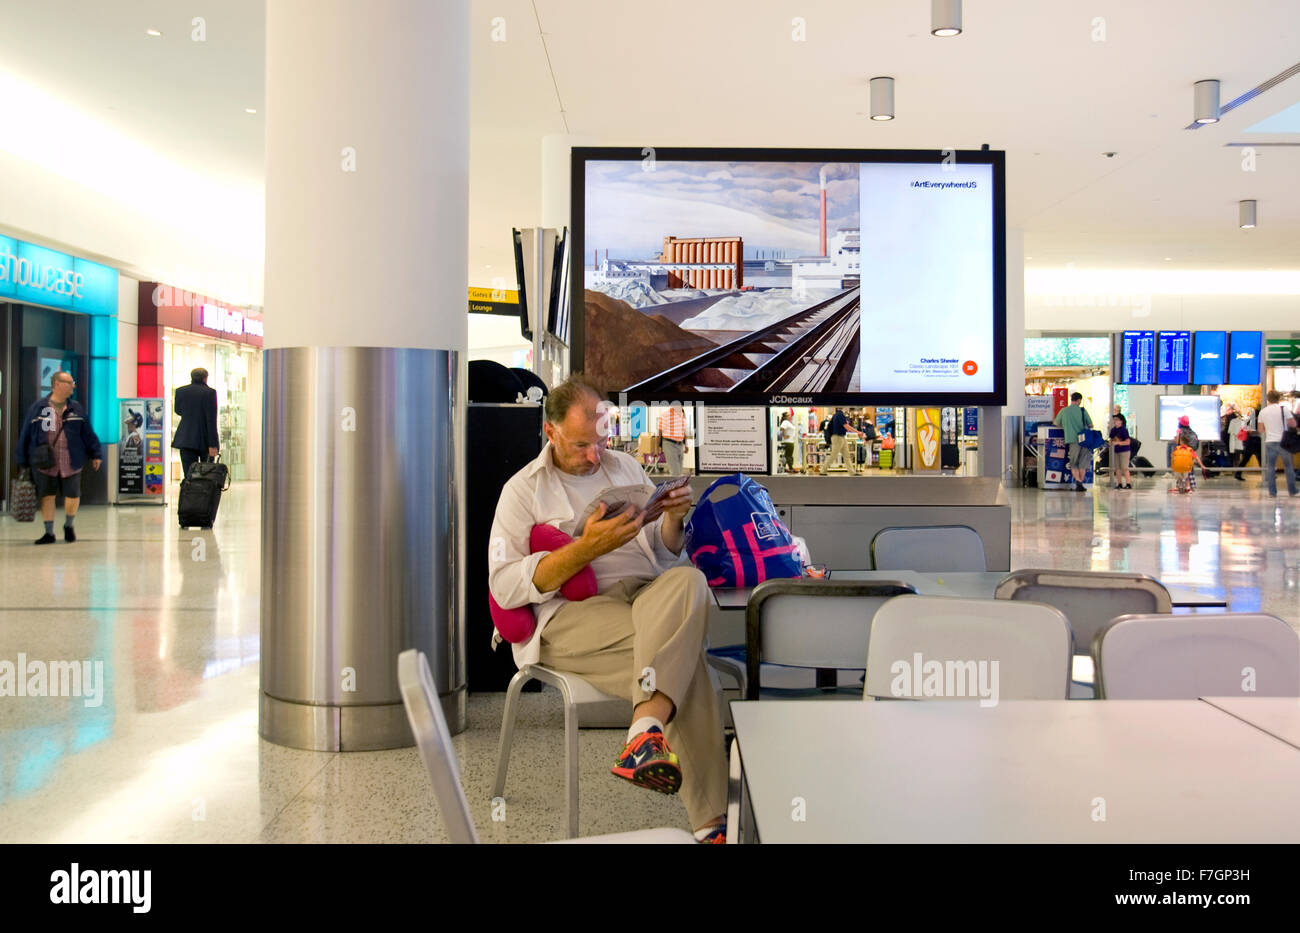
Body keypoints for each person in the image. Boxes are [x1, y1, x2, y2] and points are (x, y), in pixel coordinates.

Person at [488, 376, 727, 843]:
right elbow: (504, 584)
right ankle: (710, 825)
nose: (594, 455)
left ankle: (644, 729)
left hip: (644, 598)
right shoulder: (522, 491)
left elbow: (662, 554)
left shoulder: (627, 468)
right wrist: (584, 550)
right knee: (687, 661)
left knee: (689, 580)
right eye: (581, 445)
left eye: (600, 441)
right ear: (550, 432)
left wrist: (674, 518)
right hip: (572, 614)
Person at [15, 371, 103, 544]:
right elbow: (26, 433)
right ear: (56, 384)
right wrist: (22, 459)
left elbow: (87, 433)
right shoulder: (38, 408)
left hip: (71, 460)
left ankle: (69, 525)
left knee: (73, 495)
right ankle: (49, 532)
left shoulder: (76, 408)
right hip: (45, 461)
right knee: (47, 496)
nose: (73, 386)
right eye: (69, 382)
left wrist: (96, 454)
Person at [172, 367, 219, 479]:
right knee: (206, 474)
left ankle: (190, 495)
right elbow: (211, 420)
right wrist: (213, 444)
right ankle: (203, 496)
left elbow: (178, 411)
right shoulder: (210, 393)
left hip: (185, 438)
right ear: (205, 378)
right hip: (204, 439)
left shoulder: (180, 391)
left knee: (188, 474)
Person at [1258, 390, 1298, 498]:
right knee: (1288, 466)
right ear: (1278, 398)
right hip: (1284, 442)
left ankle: (1272, 492)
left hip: (1270, 441)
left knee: (1271, 467)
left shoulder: (1263, 411)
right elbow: (1293, 424)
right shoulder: (1283, 409)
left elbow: (1261, 430)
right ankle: (1292, 490)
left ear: (1268, 399)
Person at [1053, 392, 1093, 491]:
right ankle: (1081, 483)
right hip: (1084, 440)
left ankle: (1078, 481)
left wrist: (1065, 427)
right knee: (1083, 463)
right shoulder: (1082, 411)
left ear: (1071, 399)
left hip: (1072, 440)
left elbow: (1055, 423)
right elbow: (1091, 425)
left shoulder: (1064, 411)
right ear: (1079, 400)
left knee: (1074, 462)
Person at [824, 406, 859, 475]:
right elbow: (846, 426)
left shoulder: (837, 414)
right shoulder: (840, 415)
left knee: (846, 455)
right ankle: (823, 470)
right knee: (833, 455)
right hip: (838, 437)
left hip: (841, 437)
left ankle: (852, 472)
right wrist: (858, 432)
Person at [656, 401, 688, 476]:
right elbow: (659, 433)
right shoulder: (665, 415)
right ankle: (674, 487)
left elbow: (683, 430)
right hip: (669, 444)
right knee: (675, 472)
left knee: (679, 471)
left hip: (679, 445)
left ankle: (677, 487)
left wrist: (686, 444)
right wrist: (657, 448)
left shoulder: (682, 414)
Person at [1227, 407, 1253, 481]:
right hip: (1242, 442)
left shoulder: (1237, 421)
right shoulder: (1243, 421)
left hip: (1240, 442)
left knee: (1240, 459)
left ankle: (1237, 473)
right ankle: (1237, 473)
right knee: (1241, 459)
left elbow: (1231, 433)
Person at [1108, 412, 1132, 489]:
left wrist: (1118, 442)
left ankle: (1128, 483)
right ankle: (1119, 483)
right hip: (1117, 451)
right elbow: (1111, 439)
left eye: (1117, 420)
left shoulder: (1124, 430)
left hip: (1124, 451)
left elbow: (1128, 442)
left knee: (1124, 467)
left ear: (1121, 421)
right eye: (1114, 420)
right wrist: (1111, 442)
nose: (1115, 421)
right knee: (1117, 468)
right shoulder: (1113, 430)